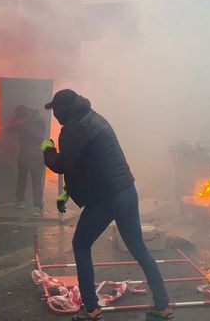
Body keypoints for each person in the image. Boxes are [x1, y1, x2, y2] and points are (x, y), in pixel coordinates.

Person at [41, 89, 173, 320]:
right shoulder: (93, 117)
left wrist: (48, 151)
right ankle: (163, 305)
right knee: (138, 246)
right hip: (127, 191)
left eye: (55, 111)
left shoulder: (75, 128)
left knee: (81, 244)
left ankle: (90, 308)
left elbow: (65, 164)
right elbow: (88, 165)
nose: (55, 116)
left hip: (108, 198)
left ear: (62, 110)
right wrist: (67, 193)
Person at [6, 105, 46, 216]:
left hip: (26, 154)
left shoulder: (22, 121)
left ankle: (21, 201)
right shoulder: (39, 119)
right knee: (36, 181)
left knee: (22, 177)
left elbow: (8, 128)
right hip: (38, 154)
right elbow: (41, 136)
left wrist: (18, 120)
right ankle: (37, 206)